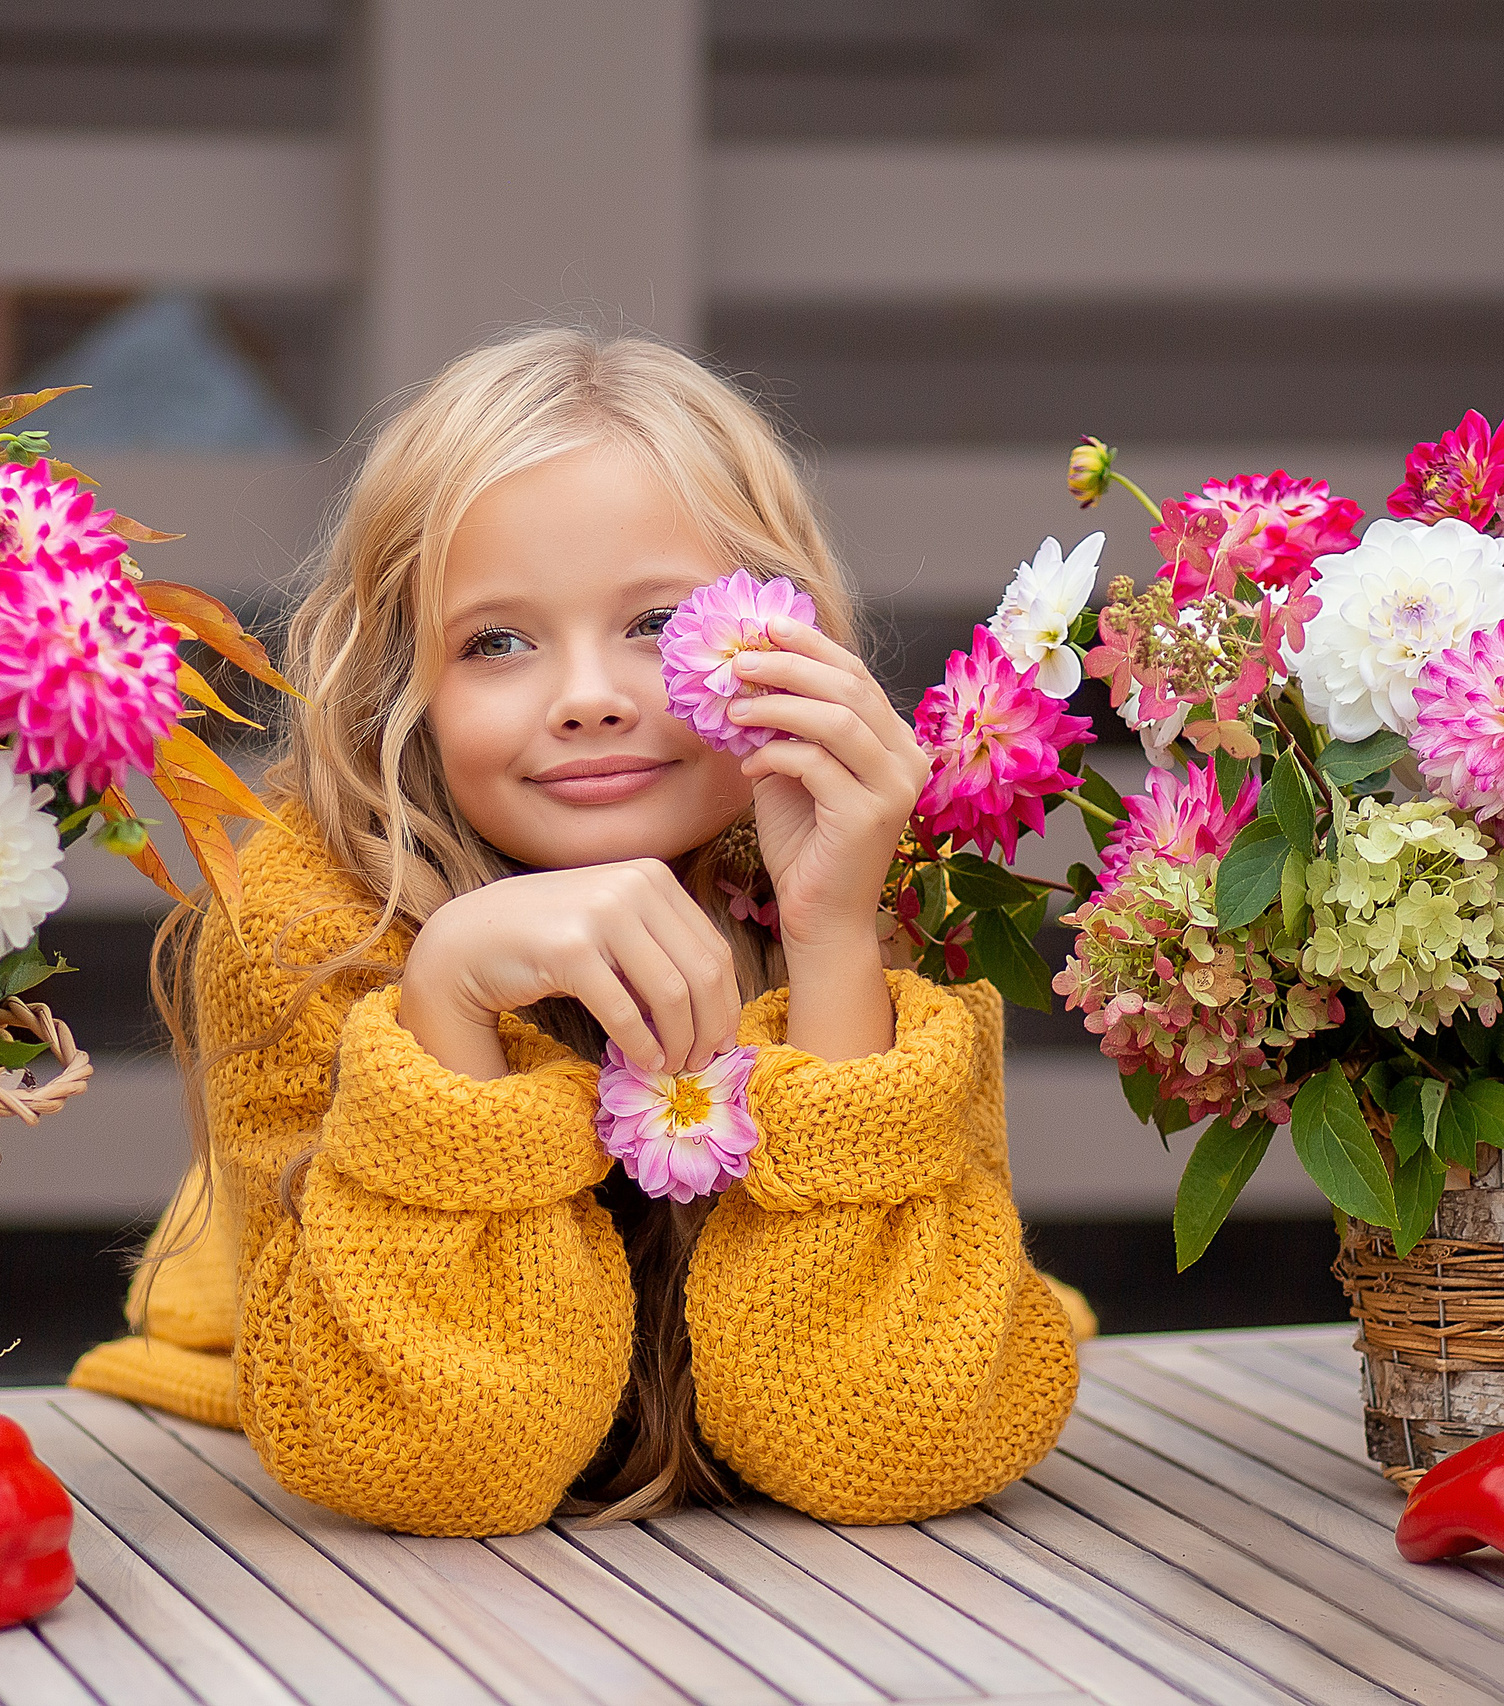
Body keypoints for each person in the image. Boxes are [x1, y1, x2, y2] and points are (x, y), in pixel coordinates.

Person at [69, 327, 1090, 1537]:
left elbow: (893, 1438)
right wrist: (445, 1002)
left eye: (657, 621)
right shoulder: (307, 922)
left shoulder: (891, 882)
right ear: (408, 683)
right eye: (496, 640)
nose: (588, 694)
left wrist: (830, 942)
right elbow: (439, 1464)